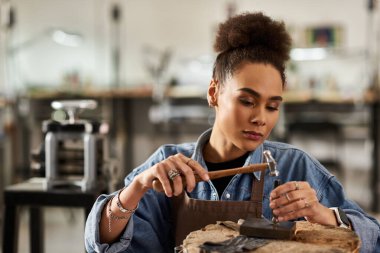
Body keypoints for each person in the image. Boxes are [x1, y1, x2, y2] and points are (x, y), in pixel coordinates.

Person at [85, 12, 380, 253]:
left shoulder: (295, 167)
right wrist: (133, 191)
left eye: (272, 106)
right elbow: (99, 244)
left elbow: (373, 238)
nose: (260, 119)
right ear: (214, 92)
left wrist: (325, 217)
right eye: (247, 101)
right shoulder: (167, 164)